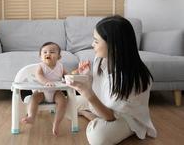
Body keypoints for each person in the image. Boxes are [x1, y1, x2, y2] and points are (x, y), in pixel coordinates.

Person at [67, 15, 157, 145]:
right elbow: (102, 88)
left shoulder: (129, 78)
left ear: (114, 45)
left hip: (124, 117)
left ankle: (92, 117)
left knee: (98, 137)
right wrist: (87, 76)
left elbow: (110, 116)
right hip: (105, 105)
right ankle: (91, 116)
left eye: (96, 41)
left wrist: (87, 93)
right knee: (66, 105)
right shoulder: (101, 59)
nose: (92, 44)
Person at [21, 42, 68, 136]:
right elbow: (39, 76)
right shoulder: (41, 66)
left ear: (59, 57)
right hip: (42, 92)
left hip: (56, 92)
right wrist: (46, 82)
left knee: (63, 101)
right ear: (40, 56)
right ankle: (31, 116)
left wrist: (72, 76)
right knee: (33, 98)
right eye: (45, 52)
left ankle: (56, 123)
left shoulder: (61, 66)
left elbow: (67, 76)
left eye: (52, 52)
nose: (48, 54)